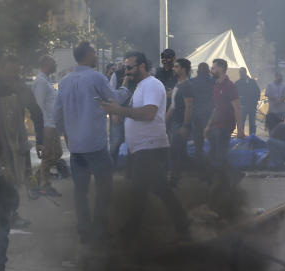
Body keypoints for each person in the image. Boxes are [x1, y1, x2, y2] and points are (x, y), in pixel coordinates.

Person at [99, 51, 190, 241]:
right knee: (159, 189)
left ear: (142, 67)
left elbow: (149, 113)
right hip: (142, 149)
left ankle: (132, 233)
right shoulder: (141, 86)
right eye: (125, 68)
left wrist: (119, 110)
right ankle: (182, 225)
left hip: (150, 148)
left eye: (130, 67)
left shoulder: (152, 85)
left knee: (139, 192)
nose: (127, 71)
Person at [0, 54, 44, 271]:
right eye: (8, 75)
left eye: (15, 75)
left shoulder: (19, 92)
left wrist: (37, 148)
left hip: (6, 171)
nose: (12, 81)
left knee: (1, 224)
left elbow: (33, 118)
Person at [54, 41, 117, 244]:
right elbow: (113, 99)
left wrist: (66, 135)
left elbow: (57, 115)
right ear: (89, 54)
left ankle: (83, 229)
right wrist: (126, 89)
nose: (96, 56)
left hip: (76, 147)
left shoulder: (64, 82)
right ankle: (99, 228)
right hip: (95, 145)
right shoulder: (96, 77)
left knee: (80, 190)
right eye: (94, 52)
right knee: (104, 185)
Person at [205, 58, 244, 170]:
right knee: (215, 155)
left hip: (225, 126)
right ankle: (233, 177)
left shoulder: (229, 86)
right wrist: (208, 126)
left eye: (213, 68)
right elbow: (215, 108)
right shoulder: (216, 85)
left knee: (220, 156)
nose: (211, 71)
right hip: (216, 125)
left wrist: (240, 129)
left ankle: (227, 181)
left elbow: (237, 108)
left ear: (221, 69)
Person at [32, 55, 61, 196]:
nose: (55, 64)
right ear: (45, 64)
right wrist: (44, 127)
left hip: (53, 124)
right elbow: (38, 106)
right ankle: (45, 185)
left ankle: (37, 179)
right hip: (47, 125)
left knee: (57, 154)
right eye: (53, 62)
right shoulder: (41, 82)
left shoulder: (47, 81)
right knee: (49, 156)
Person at [167, 57, 195, 181]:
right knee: (181, 153)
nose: (174, 68)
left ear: (183, 70)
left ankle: (174, 179)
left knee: (174, 151)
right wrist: (164, 120)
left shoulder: (187, 86)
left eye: (176, 66)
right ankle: (203, 173)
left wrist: (185, 126)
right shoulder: (178, 85)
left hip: (180, 124)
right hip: (175, 123)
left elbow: (189, 107)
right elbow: (173, 106)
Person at [189, 62, 214, 162]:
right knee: (212, 143)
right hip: (210, 115)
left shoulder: (192, 82)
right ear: (208, 71)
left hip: (196, 115)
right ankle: (211, 166)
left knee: (198, 144)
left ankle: (199, 166)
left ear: (198, 71)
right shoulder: (213, 82)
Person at [234, 67, 261, 137]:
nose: (241, 74)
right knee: (241, 122)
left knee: (252, 122)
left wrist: (255, 101)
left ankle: (252, 137)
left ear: (245, 73)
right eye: (240, 73)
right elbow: (234, 94)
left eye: (242, 73)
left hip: (251, 105)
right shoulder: (237, 83)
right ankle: (240, 137)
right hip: (242, 106)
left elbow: (258, 92)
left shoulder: (252, 82)